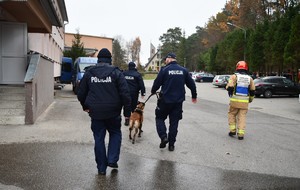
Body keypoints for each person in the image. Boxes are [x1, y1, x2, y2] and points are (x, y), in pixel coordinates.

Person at [77, 48, 131, 175]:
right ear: (109, 59)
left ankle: (101, 168)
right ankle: (112, 159)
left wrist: (85, 106)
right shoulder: (116, 72)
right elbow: (125, 94)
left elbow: (81, 93)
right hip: (113, 112)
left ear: (98, 59)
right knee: (115, 133)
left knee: (99, 139)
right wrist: (127, 113)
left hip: (96, 112)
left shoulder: (90, 73)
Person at [151, 52, 197, 151]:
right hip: (178, 102)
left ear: (169, 59)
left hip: (165, 101)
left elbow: (157, 83)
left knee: (159, 118)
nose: (165, 61)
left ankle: (163, 137)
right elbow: (191, 84)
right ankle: (171, 145)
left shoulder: (164, 70)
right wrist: (194, 96)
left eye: (166, 59)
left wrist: (153, 91)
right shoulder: (184, 70)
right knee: (174, 123)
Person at [226, 61, 255, 140]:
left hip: (234, 101)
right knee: (242, 117)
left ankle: (232, 130)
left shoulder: (234, 76)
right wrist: (250, 99)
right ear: (246, 68)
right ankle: (241, 134)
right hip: (245, 102)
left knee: (231, 114)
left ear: (237, 67)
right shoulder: (250, 78)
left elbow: (230, 87)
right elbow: (252, 91)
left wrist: (229, 89)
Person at [123, 62, 146, 126]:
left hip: (125, 93)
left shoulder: (124, 73)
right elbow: (141, 84)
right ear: (134, 66)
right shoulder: (137, 74)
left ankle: (127, 119)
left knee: (126, 105)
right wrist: (143, 93)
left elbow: (120, 83)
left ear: (128, 66)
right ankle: (133, 118)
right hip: (134, 93)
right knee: (133, 105)